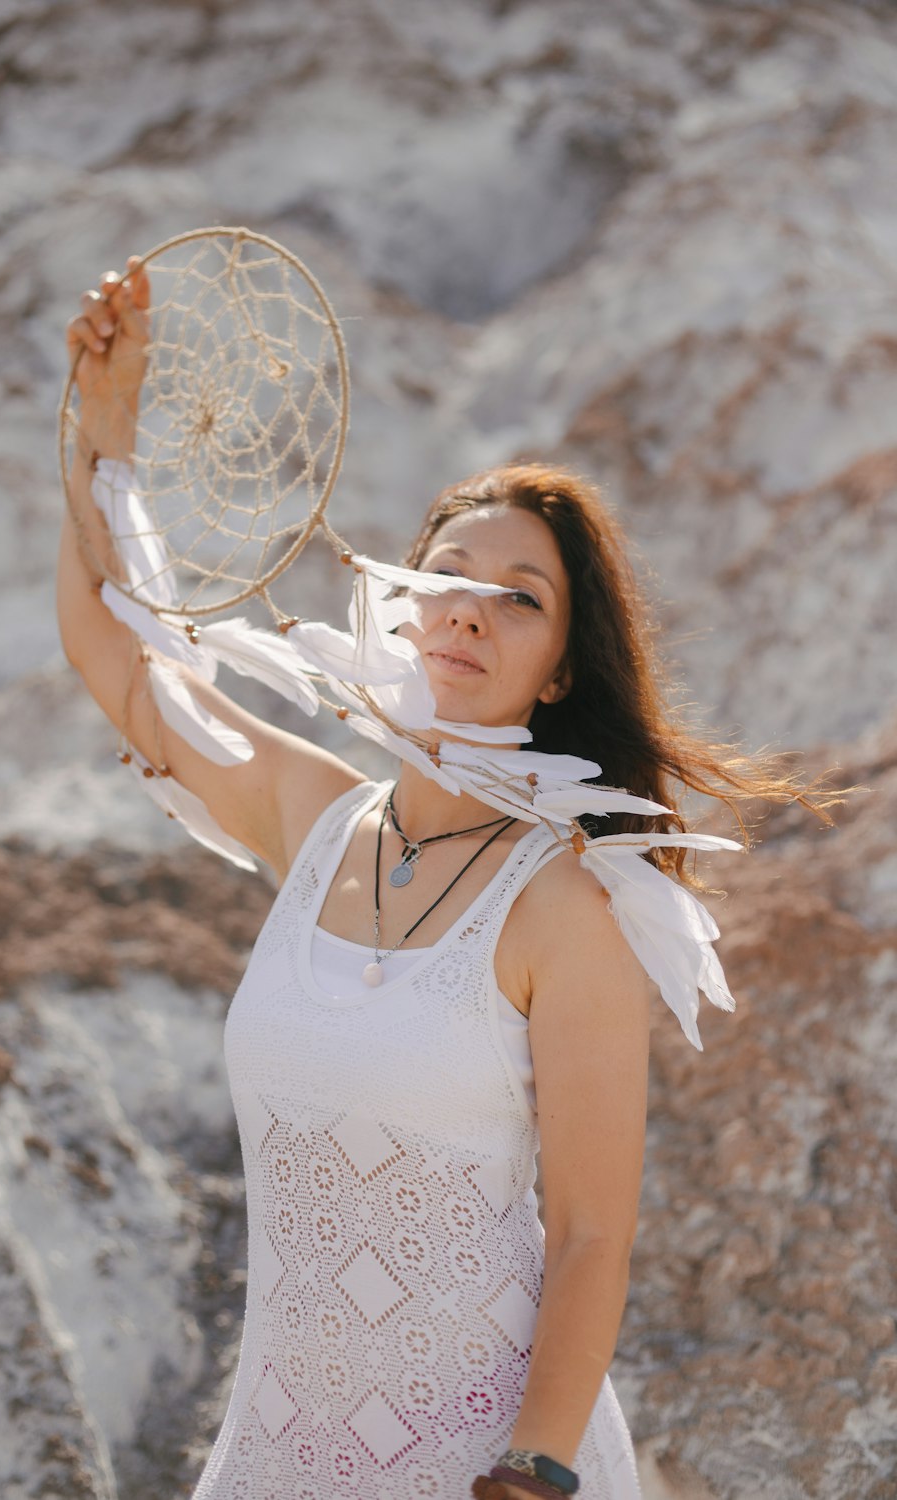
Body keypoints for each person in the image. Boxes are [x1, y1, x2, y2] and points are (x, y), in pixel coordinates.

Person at [57, 262, 836, 1500]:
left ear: (556, 671)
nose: (468, 612)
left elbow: (589, 1234)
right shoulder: (311, 817)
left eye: (517, 600)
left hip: (489, 1463)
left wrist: (529, 1472)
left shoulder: (564, 907)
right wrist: (103, 428)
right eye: (446, 581)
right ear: (394, 614)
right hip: (275, 1456)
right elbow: (117, 651)